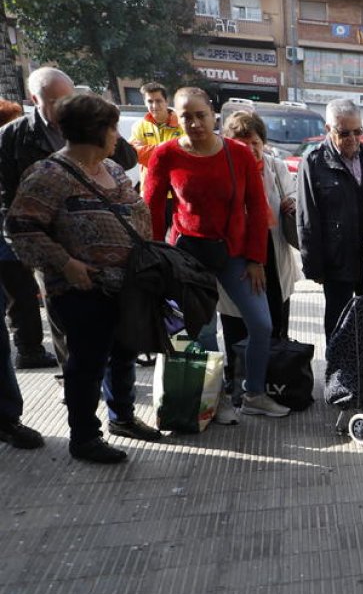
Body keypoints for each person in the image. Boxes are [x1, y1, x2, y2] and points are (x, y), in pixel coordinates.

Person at [6, 93, 163, 463]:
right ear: (96, 132)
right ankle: (84, 437)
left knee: (124, 352)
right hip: (81, 289)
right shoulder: (49, 174)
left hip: (124, 285)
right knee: (87, 363)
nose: (117, 137)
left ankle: (122, 417)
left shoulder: (112, 169)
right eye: (113, 129)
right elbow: (19, 227)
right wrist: (65, 264)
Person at [143, 87, 288, 418]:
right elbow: (151, 210)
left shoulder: (237, 153)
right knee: (202, 330)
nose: (194, 123)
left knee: (262, 324)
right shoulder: (165, 155)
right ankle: (213, 399)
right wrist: (155, 257)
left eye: (200, 115)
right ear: (174, 118)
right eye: (186, 116)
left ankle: (254, 393)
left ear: (213, 116)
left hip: (235, 253)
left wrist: (255, 259)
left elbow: (256, 206)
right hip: (188, 256)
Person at [0, 67, 138, 370]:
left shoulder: (93, 128)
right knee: (64, 321)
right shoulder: (13, 137)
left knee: (116, 334)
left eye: (68, 99)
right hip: (52, 247)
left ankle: (117, 406)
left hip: (105, 258)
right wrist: (32, 250)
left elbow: (128, 162)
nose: (63, 107)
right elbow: (8, 202)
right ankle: (72, 376)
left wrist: (100, 121)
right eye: (54, 101)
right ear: (35, 99)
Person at [216, 111, 302, 415]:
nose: (250, 148)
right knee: (236, 325)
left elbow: (291, 198)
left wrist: (290, 203)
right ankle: (238, 383)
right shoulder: (222, 169)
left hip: (272, 254)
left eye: (254, 142)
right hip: (236, 258)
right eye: (241, 141)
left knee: (274, 324)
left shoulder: (276, 167)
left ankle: (272, 382)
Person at [297, 99, 363, 338]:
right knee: (339, 325)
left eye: (358, 131)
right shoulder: (314, 161)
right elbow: (307, 219)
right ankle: (338, 374)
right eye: (344, 132)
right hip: (337, 260)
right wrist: (313, 266)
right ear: (328, 129)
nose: (352, 138)